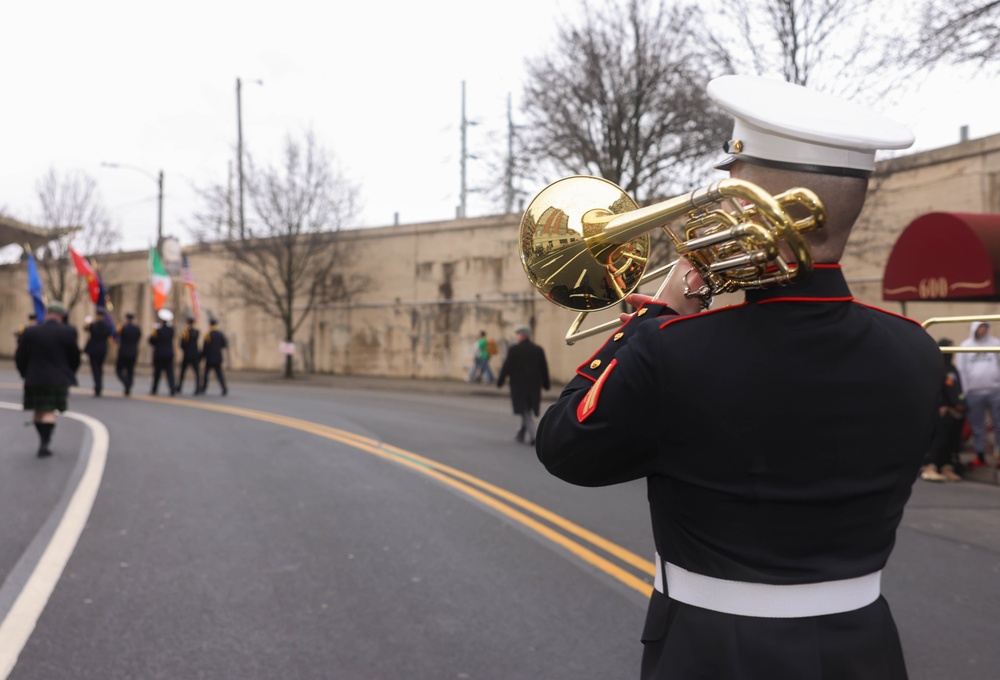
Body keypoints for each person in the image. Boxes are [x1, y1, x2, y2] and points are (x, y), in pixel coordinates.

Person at [535, 75, 942, 680]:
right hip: (865, 650)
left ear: (751, 209)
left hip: (709, 653)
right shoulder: (917, 350)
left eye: (727, 192)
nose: (714, 208)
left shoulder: (674, 352)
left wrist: (657, 315)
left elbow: (565, 446)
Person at [14, 300, 81, 457]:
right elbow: (75, 357)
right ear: (61, 316)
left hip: (34, 377)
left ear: (46, 314)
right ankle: (45, 441)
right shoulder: (68, 332)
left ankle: (43, 440)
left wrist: (25, 373)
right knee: (49, 412)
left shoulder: (30, 332)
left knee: (38, 412)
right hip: (57, 378)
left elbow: (20, 356)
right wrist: (69, 372)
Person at [955, 321, 1000, 467]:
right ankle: (980, 456)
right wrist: (964, 391)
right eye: (981, 327)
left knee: (998, 424)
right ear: (975, 328)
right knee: (977, 426)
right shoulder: (966, 346)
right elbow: (961, 369)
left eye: (986, 327)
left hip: (995, 390)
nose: (983, 329)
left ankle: (998, 455)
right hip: (974, 392)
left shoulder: (995, 343)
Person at [921, 338, 967, 482]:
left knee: (952, 441)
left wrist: (961, 403)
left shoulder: (953, 369)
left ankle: (946, 466)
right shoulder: (935, 367)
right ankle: (929, 466)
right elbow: (934, 389)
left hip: (955, 412)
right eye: (949, 348)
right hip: (940, 411)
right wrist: (942, 404)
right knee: (938, 440)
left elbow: (957, 389)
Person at [496, 325, 549, 445]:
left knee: (525, 409)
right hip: (534, 385)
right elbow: (544, 368)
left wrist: (500, 381)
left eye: (518, 335)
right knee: (527, 408)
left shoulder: (514, 350)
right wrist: (546, 384)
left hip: (519, 385)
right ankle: (521, 433)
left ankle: (533, 435)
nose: (517, 337)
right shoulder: (538, 350)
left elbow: (507, 367)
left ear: (522, 336)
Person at [82, 306, 112, 397]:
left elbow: (86, 328)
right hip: (102, 349)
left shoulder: (93, 325)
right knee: (99, 368)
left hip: (94, 350)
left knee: (95, 369)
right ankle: (99, 386)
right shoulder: (107, 326)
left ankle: (97, 387)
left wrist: (88, 322)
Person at [148, 308, 177, 396]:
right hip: (169, 354)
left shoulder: (157, 330)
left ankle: (154, 389)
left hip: (159, 354)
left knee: (157, 373)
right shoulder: (171, 330)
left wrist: (155, 329)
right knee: (170, 373)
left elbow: (151, 341)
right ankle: (172, 389)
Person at [200, 317, 228, 396]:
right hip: (218, 357)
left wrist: (202, 357)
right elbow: (224, 345)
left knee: (205, 374)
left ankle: (203, 388)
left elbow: (205, 347)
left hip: (210, 358)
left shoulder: (208, 335)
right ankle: (224, 388)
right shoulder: (220, 334)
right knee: (219, 374)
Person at [116, 312, 141, 396]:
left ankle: (126, 383)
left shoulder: (122, 327)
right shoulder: (137, 328)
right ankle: (129, 385)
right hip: (133, 352)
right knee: (130, 370)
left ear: (126, 319)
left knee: (119, 370)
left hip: (123, 352)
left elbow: (117, 335)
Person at [177, 314, 202, 395]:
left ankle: (179, 387)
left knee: (182, 372)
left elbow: (182, 344)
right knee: (197, 373)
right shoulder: (197, 332)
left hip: (187, 355)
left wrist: (186, 349)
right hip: (195, 354)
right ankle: (198, 388)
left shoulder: (185, 332)